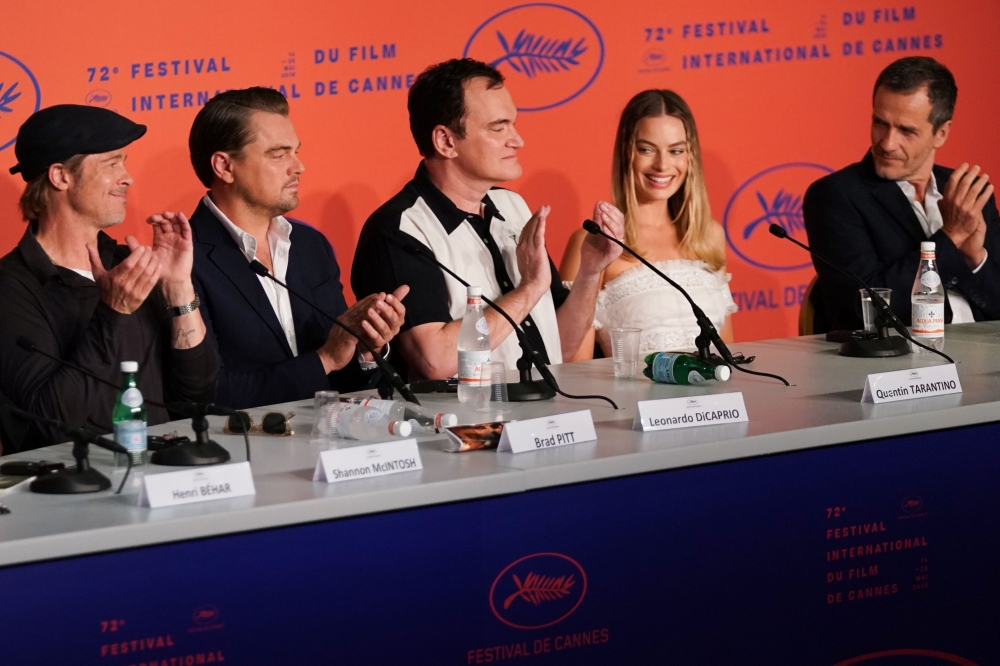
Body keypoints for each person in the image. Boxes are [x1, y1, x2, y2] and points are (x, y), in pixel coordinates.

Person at [351, 59, 623, 380]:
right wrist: (529, 289)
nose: (517, 140)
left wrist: (591, 271)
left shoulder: (513, 206)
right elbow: (436, 361)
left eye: (514, 124)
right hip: (467, 424)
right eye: (498, 127)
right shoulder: (400, 229)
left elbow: (557, 345)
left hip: (543, 414)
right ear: (446, 141)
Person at [0, 105, 219, 453]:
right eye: (111, 163)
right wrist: (113, 312)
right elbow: (49, 422)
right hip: (73, 492)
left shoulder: (130, 267)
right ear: (61, 176)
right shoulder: (12, 287)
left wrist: (178, 287)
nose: (127, 176)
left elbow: (197, 394)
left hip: (161, 478)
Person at [187, 88, 407, 409]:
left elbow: (338, 380)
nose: (299, 167)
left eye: (296, 151)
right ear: (225, 166)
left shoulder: (310, 246)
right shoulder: (183, 262)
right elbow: (208, 393)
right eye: (278, 154)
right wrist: (325, 359)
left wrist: (364, 348)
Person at [804, 56, 999, 332]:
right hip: (904, 367)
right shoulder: (836, 196)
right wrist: (951, 238)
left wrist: (975, 258)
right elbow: (863, 309)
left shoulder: (969, 196)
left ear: (941, 133)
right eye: (880, 123)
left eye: (906, 131)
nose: (887, 143)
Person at [560, 90, 736, 358]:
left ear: (690, 157)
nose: (662, 165)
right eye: (646, 149)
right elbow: (574, 369)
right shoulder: (595, 241)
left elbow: (729, 354)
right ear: (626, 153)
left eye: (676, 150)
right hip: (633, 399)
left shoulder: (709, 235)